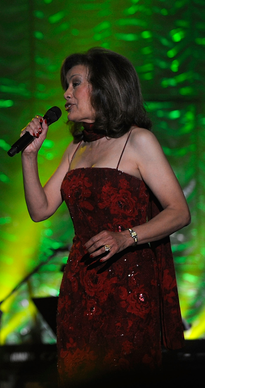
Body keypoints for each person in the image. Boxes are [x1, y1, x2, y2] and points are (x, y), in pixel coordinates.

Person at [19, 47, 190, 387]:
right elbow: (40, 210)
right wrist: (29, 157)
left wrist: (127, 236)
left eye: (75, 84)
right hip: (81, 287)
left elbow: (179, 212)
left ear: (104, 87)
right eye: (66, 86)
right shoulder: (76, 149)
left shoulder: (138, 141)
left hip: (129, 288)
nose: (66, 94)